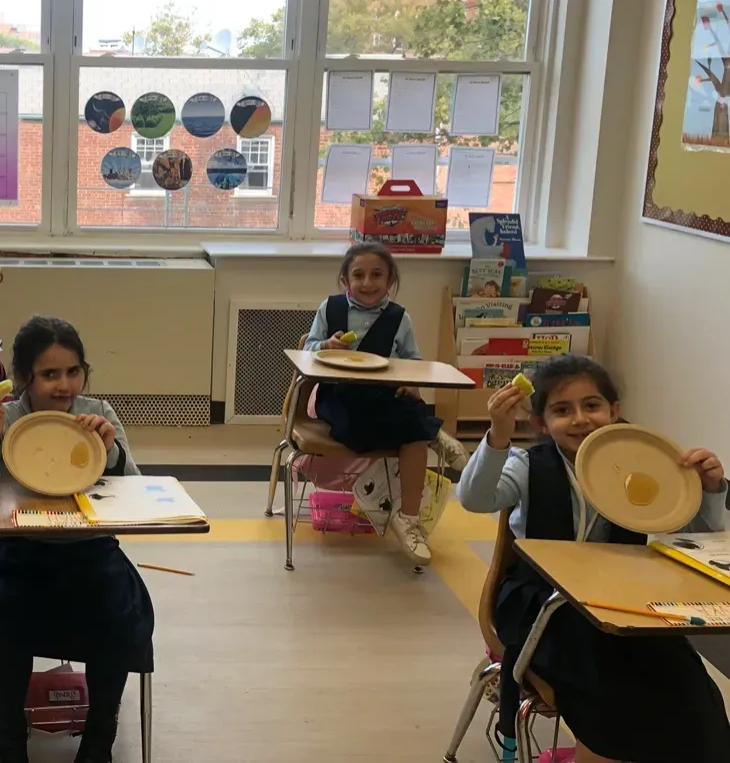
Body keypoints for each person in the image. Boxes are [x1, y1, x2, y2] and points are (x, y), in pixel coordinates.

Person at [457, 354, 730, 763]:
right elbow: (475, 498)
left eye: (592, 405)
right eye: (562, 410)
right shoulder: (528, 465)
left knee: (687, 678)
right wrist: (498, 435)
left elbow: (696, 538)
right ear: (541, 422)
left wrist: (708, 488)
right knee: (608, 685)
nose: (580, 419)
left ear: (613, 411)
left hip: (620, 605)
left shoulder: (644, 468)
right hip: (543, 606)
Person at [0, 316, 152, 763]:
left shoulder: (98, 415)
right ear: (25, 377)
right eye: (50, 374)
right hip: (20, 550)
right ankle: (10, 740)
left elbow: (135, 488)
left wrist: (111, 450)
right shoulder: (7, 416)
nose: (64, 385)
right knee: (11, 619)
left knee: (119, 616)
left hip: (90, 548)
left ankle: (99, 740)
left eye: (73, 371)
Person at [304, 241, 465, 564]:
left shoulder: (399, 318)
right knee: (360, 431)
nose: (367, 282)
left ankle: (408, 518)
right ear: (345, 280)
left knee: (411, 431)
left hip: (384, 395)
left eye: (377, 275)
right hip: (338, 395)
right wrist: (326, 345)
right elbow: (307, 349)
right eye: (358, 275)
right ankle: (432, 432)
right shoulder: (330, 308)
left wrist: (410, 382)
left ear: (390, 280)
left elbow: (413, 361)